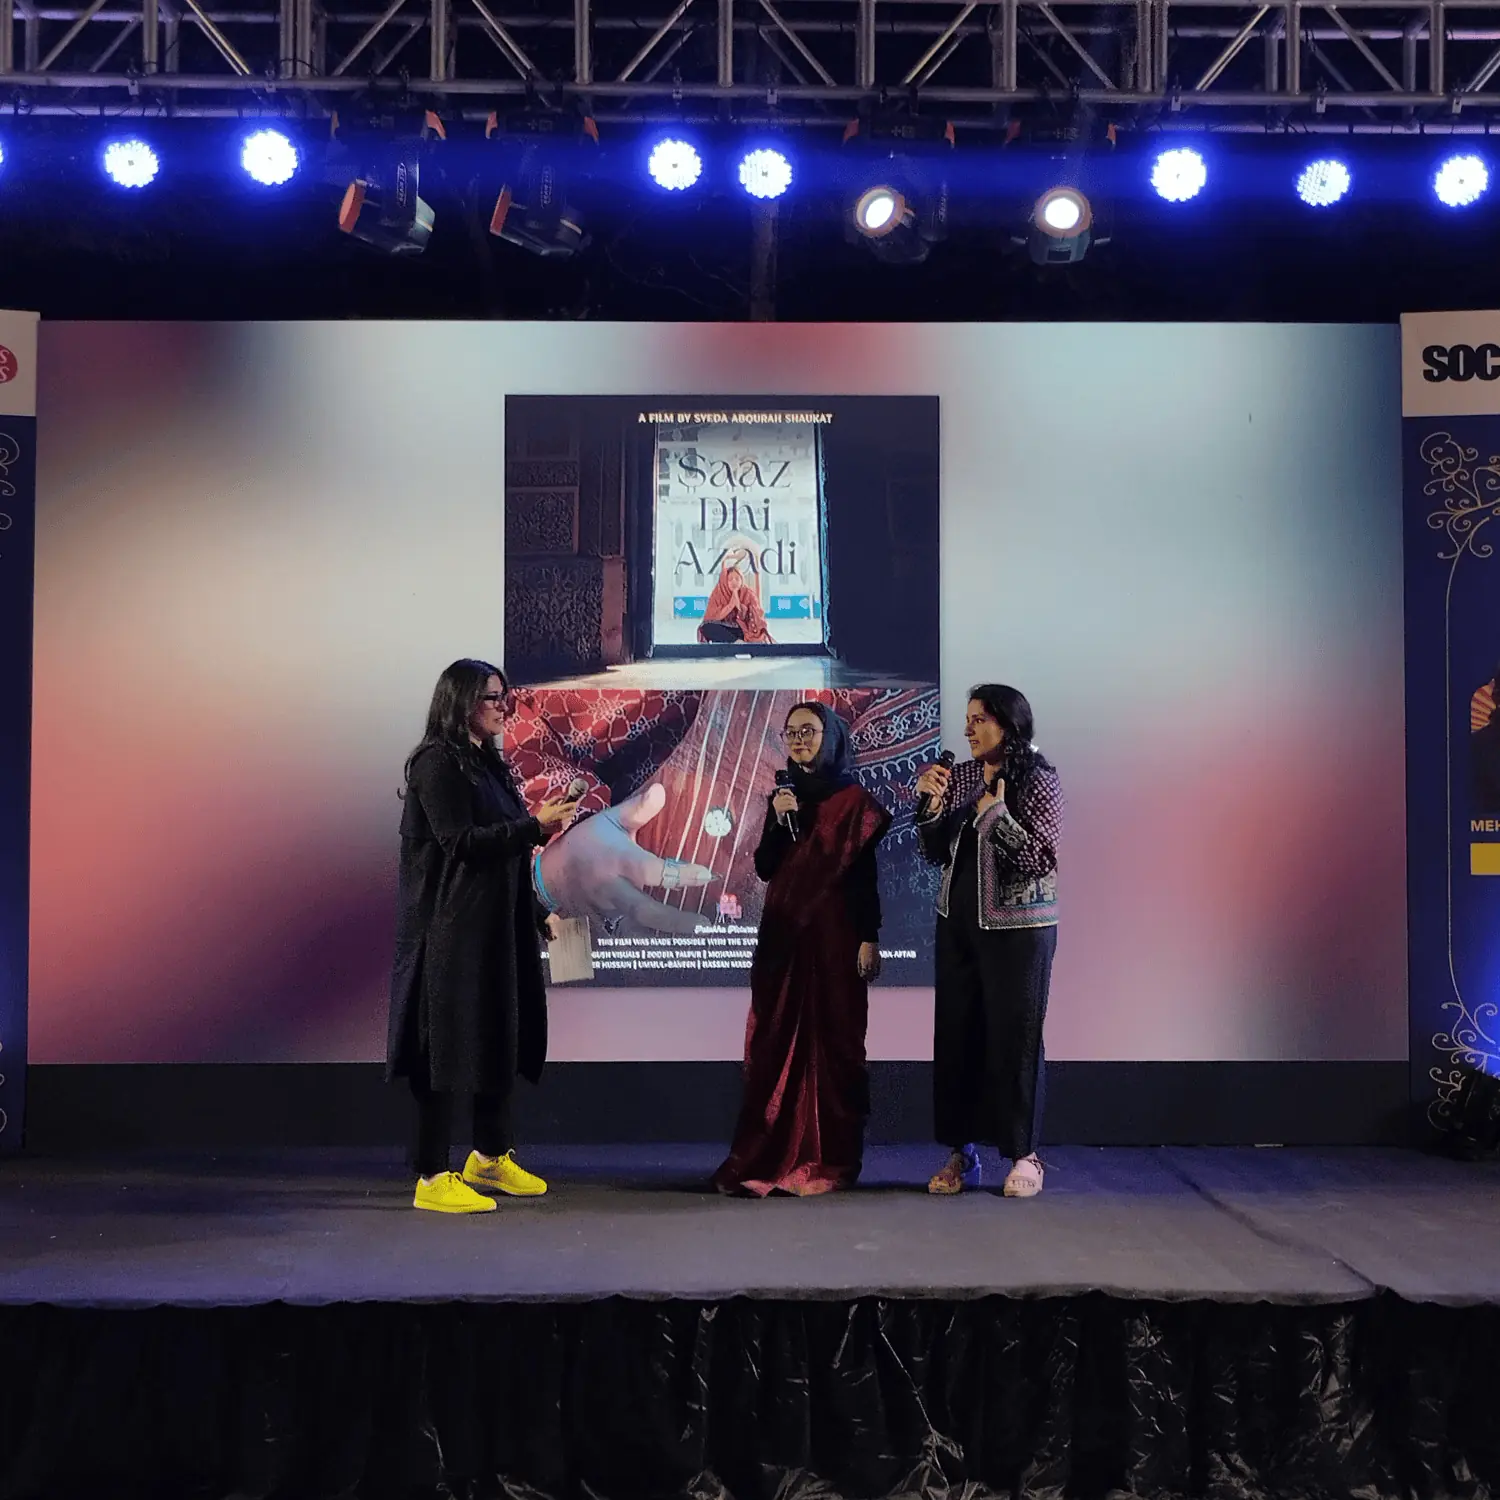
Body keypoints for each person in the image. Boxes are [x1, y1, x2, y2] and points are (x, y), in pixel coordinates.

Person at [387, 659, 579, 1214]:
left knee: (499, 1035)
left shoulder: (485, 763)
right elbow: (461, 843)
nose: (503, 705)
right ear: (461, 701)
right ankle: (431, 1175)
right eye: (492, 697)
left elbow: (508, 855)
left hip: (495, 927)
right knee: (442, 1049)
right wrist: (533, 826)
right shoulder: (435, 763)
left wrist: (539, 910)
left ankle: (489, 1157)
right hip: (449, 931)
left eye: (504, 695)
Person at [713, 701, 891, 1196]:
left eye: (808, 731)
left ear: (829, 736)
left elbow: (864, 881)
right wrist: (776, 818)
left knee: (836, 1043)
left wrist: (868, 938)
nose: (798, 740)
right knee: (775, 1042)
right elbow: (767, 868)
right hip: (784, 938)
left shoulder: (854, 802)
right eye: (790, 733)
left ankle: (829, 1159)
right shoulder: (784, 796)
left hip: (836, 939)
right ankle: (770, 1153)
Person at [913, 685, 1063, 1199]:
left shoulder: (1040, 777)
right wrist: (931, 807)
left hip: (1019, 929)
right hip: (958, 924)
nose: (969, 729)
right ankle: (962, 1153)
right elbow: (935, 853)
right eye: (968, 719)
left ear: (1010, 723)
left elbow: (1040, 858)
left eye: (980, 719)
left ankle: (1024, 1155)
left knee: (1015, 1038)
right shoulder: (959, 779)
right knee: (957, 1038)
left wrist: (995, 814)